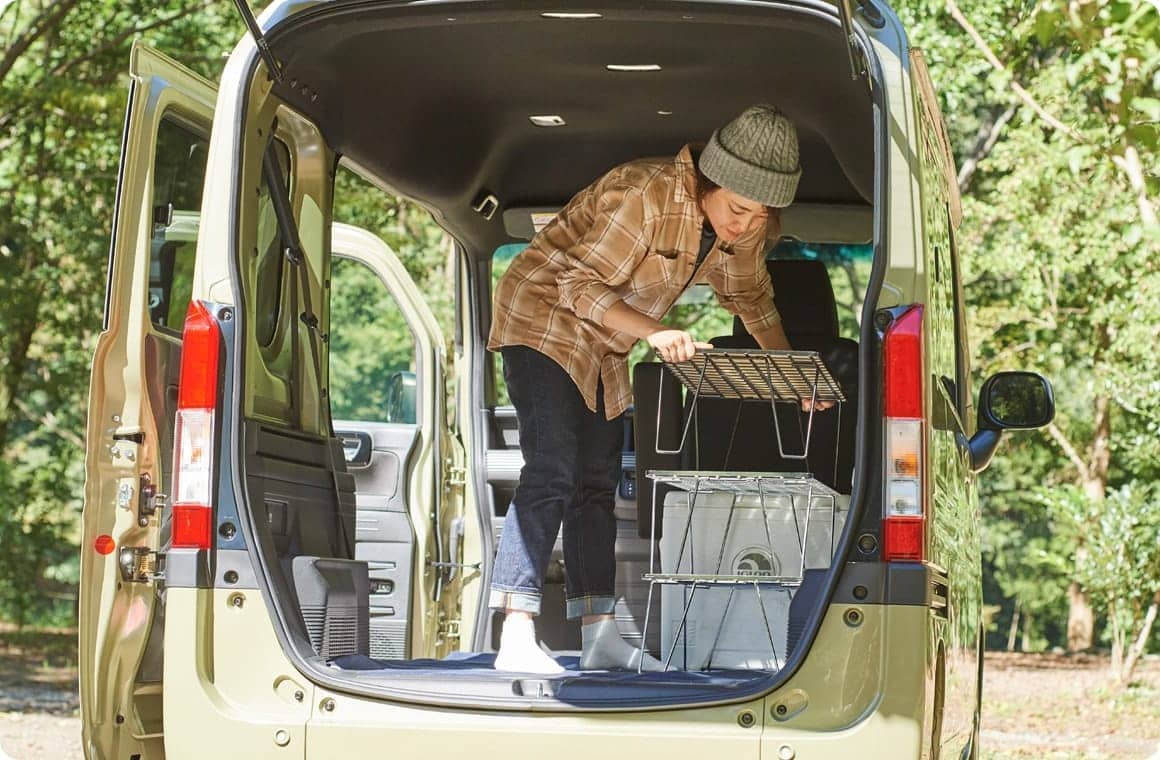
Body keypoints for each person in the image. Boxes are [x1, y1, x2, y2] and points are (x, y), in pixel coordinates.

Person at [487, 104, 802, 674]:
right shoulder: (644, 192)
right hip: (544, 318)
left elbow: (752, 299)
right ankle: (515, 630)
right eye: (737, 208)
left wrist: (789, 377)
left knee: (596, 484)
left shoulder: (743, 231)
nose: (744, 225)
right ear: (711, 180)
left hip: (606, 343)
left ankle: (599, 634)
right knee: (553, 467)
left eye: (759, 216)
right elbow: (576, 286)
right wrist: (658, 333)